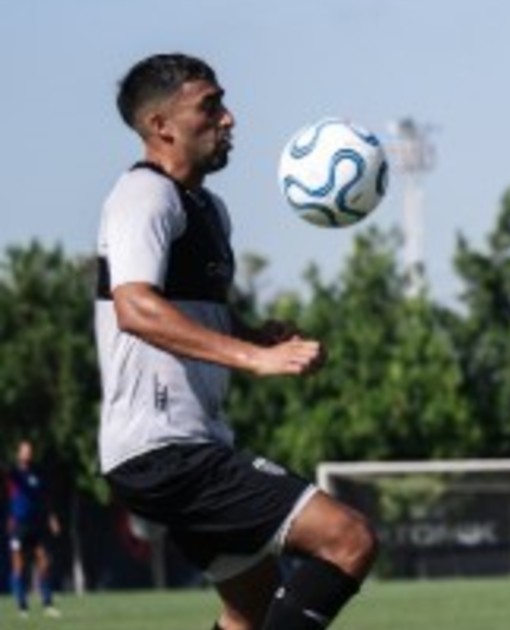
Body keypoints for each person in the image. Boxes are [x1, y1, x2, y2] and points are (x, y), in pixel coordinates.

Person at [96, 53, 377, 630]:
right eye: (210, 107)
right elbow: (135, 308)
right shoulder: (143, 195)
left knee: (249, 608)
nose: (228, 119)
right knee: (348, 539)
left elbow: (198, 309)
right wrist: (256, 358)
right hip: (163, 449)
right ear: (161, 126)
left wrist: (254, 333)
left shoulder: (209, 209)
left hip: (188, 445)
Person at [7, 440, 62, 619]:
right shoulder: (13, 473)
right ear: (19, 453)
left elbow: (44, 497)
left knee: (44, 563)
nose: (27, 454)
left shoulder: (37, 473)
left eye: (29, 451)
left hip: (36, 524)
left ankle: (47, 604)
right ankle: (22, 606)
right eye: (24, 451)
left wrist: (52, 518)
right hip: (18, 525)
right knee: (19, 565)